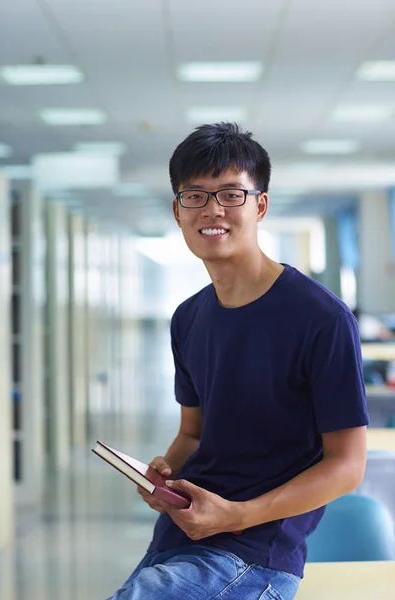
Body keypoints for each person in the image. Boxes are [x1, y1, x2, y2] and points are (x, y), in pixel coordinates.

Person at [107, 123, 369, 600]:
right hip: (179, 539)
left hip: (257, 552)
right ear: (177, 210)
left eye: (231, 194)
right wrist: (165, 471)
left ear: (260, 205)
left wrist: (238, 515)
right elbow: (194, 433)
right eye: (196, 196)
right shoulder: (188, 318)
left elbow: (349, 465)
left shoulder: (320, 317)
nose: (212, 210)